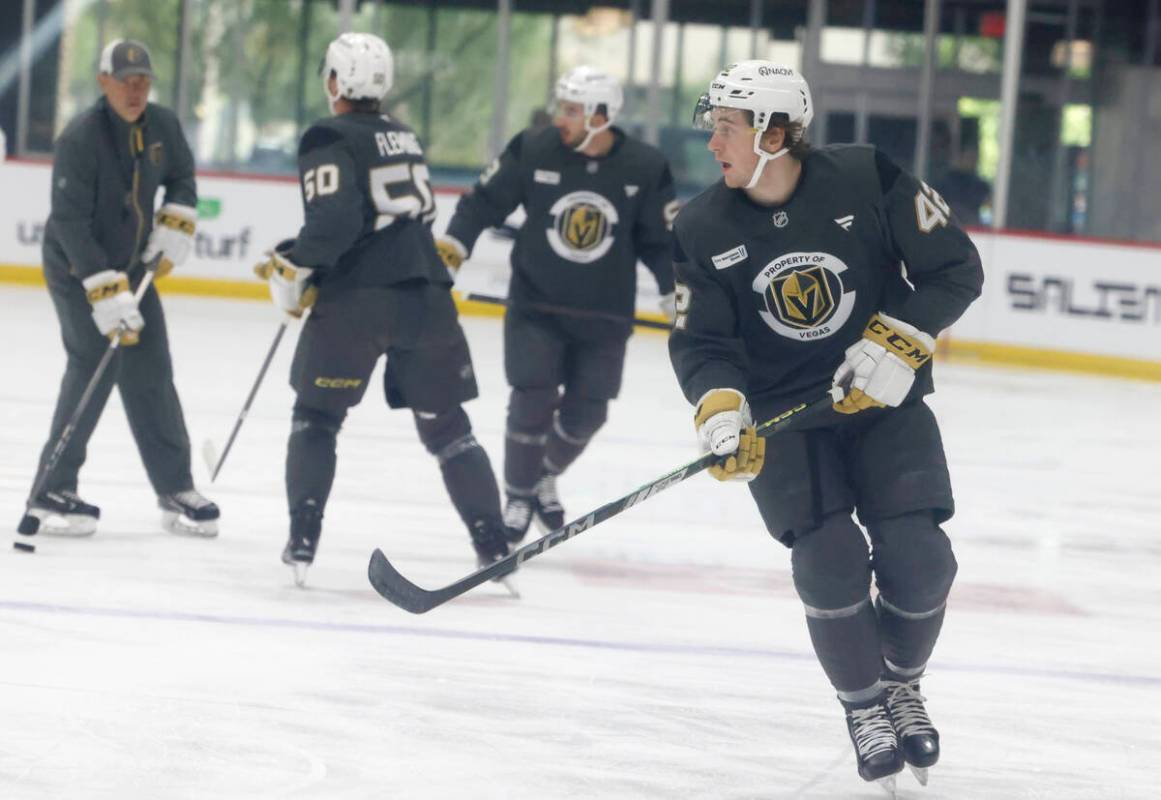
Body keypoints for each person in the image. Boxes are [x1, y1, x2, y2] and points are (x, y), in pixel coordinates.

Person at [669, 61, 983, 789]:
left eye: (726, 127)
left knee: (922, 558)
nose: (712, 142)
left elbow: (953, 269)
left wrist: (898, 338)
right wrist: (721, 409)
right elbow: (702, 344)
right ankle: (864, 704)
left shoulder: (866, 177)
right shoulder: (699, 225)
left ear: (774, 133)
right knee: (829, 557)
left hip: (883, 408)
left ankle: (901, 687)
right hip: (786, 425)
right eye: (712, 125)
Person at [256, 32, 509, 586]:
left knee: (316, 418)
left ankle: (302, 540)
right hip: (425, 294)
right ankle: (493, 542)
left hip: (358, 298)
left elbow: (334, 223)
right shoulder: (404, 135)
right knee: (450, 429)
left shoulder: (326, 134)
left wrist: (294, 265)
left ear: (336, 81)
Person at [436, 65, 678, 543]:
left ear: (601, 116)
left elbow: (658, 241)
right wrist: (453, 247)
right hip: (536, 308)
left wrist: (675, 291)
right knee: (531, 400)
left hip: (605, 315)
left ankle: (544, 472)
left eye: (571, 110)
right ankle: (517, 496)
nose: (559, 118)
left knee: (589, 413)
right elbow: (482, 203)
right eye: (560, 107)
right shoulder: (533, 147)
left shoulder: (645, 167)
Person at [22, 39, 219, 538]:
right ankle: (52, 486)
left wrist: (177, 219)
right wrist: (100, 287)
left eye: (143, 81)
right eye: (126, 80)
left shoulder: (164, 126)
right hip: (76, 268)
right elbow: (68, 221)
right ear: (103, 81)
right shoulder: (80, 139)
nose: (135, 90)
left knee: (152, 366)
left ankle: (175, 485)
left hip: (135, 266)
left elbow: (181, 178)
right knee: (94, 360)